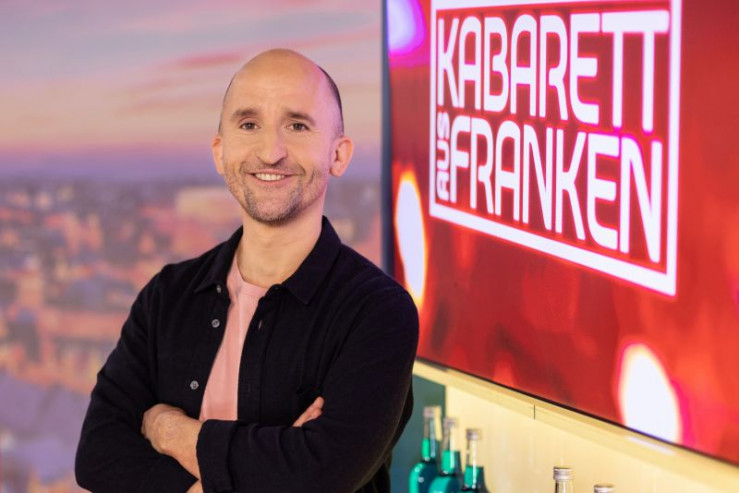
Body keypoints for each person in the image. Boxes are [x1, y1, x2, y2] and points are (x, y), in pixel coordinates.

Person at [75, 49, 419, 493]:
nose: (270, 152)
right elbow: (98, 456)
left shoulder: (378, 312)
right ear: (220, 153)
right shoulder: (167, 296)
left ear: (338, 154)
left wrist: (169, 431)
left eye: (297, 126)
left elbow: (320, 477)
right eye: (249, 124)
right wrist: (274, 460)